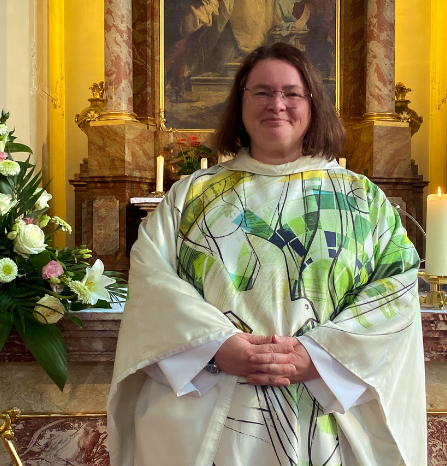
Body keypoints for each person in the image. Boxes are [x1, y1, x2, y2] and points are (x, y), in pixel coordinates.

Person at [108, 43, 427, 466]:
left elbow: (396, 287)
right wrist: (216, 346)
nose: (277, 104)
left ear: (312, 104)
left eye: (291, 93)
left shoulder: (361, 198)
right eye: (261, 92)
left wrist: (319, 355)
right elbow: (152, 278)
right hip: (212, 408)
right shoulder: (193, 194)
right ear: (240, 101)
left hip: (327, 414)